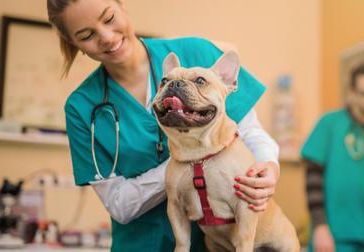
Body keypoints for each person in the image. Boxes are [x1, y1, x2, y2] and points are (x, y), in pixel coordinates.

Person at [46, 0, 282, 251]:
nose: (106, 37)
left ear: (121, 6)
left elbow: (250, 132)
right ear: (73, 43)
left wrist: (269, 167)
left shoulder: (197, 52)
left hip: (218, 245)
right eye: (86, 35)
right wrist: (186, 162)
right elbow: (119, 205)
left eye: (108, 18)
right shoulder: (81, 107)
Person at [301, 63, 364, 252]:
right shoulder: (330, 124)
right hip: (332, 238)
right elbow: (313, 180)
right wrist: (320, 227)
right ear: (351, 93)